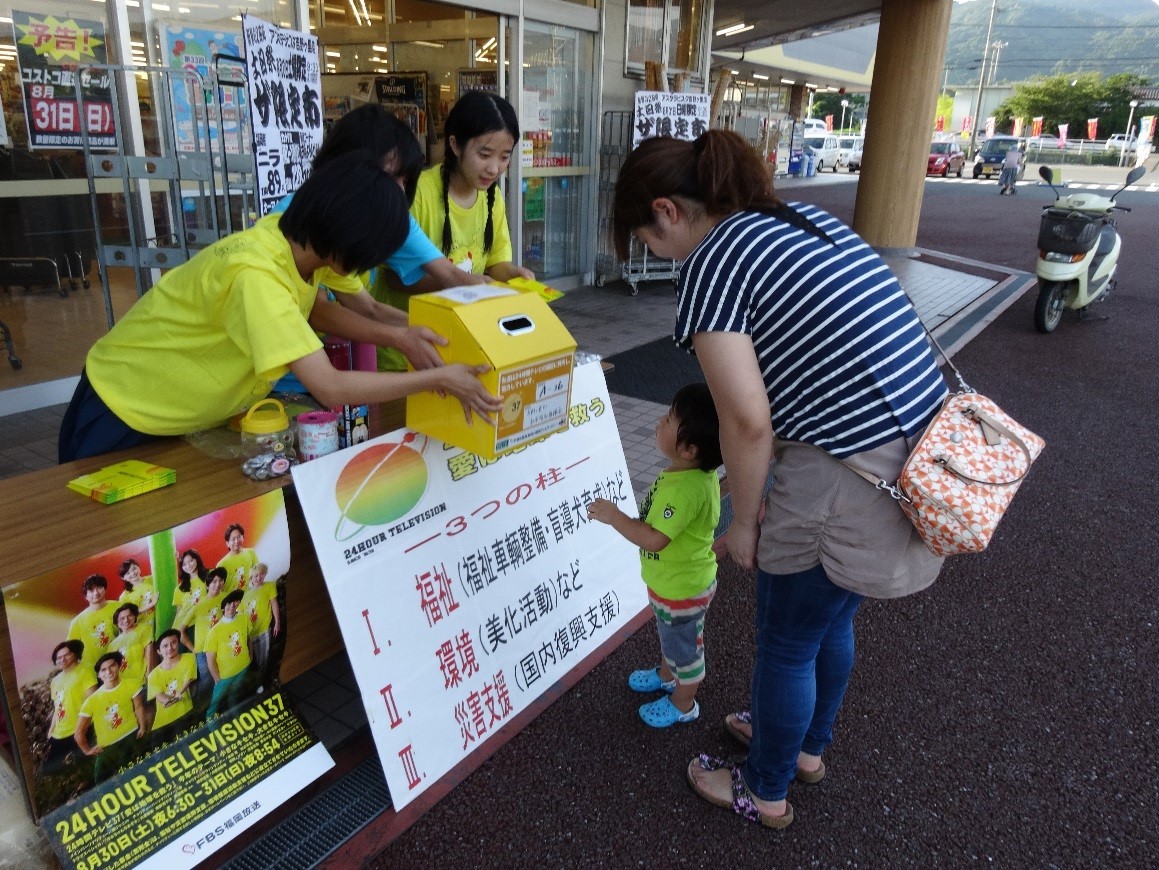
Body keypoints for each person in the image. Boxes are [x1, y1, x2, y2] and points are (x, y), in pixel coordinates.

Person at [612, 130, 947, 828]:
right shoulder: (794, 219)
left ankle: (762, 788)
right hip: (908, 451)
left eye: (643, 237)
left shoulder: (713, 261)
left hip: (846, 472)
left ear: (668, 210)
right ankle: (803, 751)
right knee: (828, 619)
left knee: (788, 639)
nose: (652, 251)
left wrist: (742, 519)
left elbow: (746, 421)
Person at [58, 151, 502, 463]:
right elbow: (329, 386)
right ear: (349, 240)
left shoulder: (297, 244)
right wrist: (438, 379)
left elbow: (311, 311)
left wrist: (399, 335)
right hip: (124, 405)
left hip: (177, 410)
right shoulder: (257, 274)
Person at [270, 103, 490, 375]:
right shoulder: (303, 227)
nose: (398, 192)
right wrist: (405, 339)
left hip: (346, 364)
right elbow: (318, 313)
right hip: (294, 373)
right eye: (388, 177)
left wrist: (495, 303)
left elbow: (370, 306)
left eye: (405, 181)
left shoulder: (384, 215)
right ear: (346, 166)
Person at [587, 383, 722, 728]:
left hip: (682, 589)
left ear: (690, 449)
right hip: (673, 584)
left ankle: (683, 702)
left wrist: (614, 516)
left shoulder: (686, 489)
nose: (659, 423)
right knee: (671, 636)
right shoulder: (689, 473)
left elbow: (653, 539)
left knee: (685, 650)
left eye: (668, 420)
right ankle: (666, 675)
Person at [406, 91, 534, 292]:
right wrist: (460, 282)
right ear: (455, 145)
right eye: (484, 154)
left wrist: (512, 274)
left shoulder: (492, 197)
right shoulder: (418, 194)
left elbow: (494, 263)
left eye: (504, 157)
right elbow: (395, 277)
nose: (494, 169)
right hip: (410, 318)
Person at [74, 651, 146, 784]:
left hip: (132, 737)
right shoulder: (92, 700)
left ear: (118, 666)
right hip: (108, 748)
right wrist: (87, 750)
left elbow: (139, 707)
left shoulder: (132, 684)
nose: (109, 671)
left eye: (112, 666)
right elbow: (79, 732)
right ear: (99, 675)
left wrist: (142, 726)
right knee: (101, 783)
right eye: (103, 670)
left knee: (136, 776)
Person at [42, 640, 97, 774]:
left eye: (67, 655)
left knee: (87, 764)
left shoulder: (85, 671)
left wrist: (82, 727)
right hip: (60, 731)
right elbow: (57, 706)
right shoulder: (55, 681)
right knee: (49, 770)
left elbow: (92, 700)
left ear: (75, 654)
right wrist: (51, 729)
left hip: (80, 727)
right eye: (59, 657)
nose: (63, 659)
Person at [176, 567, 228, 699]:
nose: (217, 584)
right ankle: (202, 710)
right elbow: (181, 631)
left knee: (223, 678)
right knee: (207, 682)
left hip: (221, 647)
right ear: (207, 584)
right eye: (214, 581)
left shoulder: (226, 598)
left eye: (220, 581)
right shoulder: (198, 606)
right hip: (203, 651)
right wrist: (193, 649)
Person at [204, 591, 254, 718]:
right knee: (213, 706)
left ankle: (235, 715)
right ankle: (211, 727)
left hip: (243, 667)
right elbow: (210, 660)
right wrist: (217, 679)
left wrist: (250, 658)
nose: (231, 606)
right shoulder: (214, 632)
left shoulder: (244, 618)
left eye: (234, 603)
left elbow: (249, 639)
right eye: (228, 603)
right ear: (222, 607)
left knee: (235, 695)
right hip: (224, 676)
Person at [146, 629, 198, 747]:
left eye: (173, 642)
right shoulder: (153, 675)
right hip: (162, 723)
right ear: (159, 651)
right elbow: (160, 696)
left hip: (185, 712)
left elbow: (188, 680)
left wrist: (178, 693)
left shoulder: (189, 658)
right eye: (165, 646)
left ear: (178, 643)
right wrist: (172, 698)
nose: (170, 648)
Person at [67, 575, 120, 670]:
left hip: (121, 659)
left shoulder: (118, 606)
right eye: (91, 591)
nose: (96, 593)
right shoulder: (78, 621)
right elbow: (72, 649)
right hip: (94, 669)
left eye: (99, 588)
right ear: (85, 596)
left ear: (105, 589)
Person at [240, 562, 280, 683]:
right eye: (256, 576)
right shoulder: (243, 592)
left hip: (264, 630)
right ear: (251, 576)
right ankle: (252, 683)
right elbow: (239, 613)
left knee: (264, 658)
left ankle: (262, 682)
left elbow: (274, 604)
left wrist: (277, 623)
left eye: (262, 575)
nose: (259, 578)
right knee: (250, 661)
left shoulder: (270, 586)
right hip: (249, 634)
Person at [109, 603, 154, 689]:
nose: (126, 620)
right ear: (117, 623)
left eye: (130, 616)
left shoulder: (144, 628)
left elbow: (149, 653)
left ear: (134, 617)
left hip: (142, 679)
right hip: (125, 684)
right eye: (122, 618)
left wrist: (149, 673)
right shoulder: (112, 645)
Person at [117, 558, 157, 641]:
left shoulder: (153, 579)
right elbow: (129, 615)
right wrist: (151, 604)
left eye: (134, 568)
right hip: (145, 625)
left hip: (161, 617)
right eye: (128, 573)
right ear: (123, 578)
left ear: (139, 567)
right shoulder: (124, 596)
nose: (132, 573)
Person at [172, 549, 209, 631]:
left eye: (191, 561)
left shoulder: (210, 576)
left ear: (197, 559)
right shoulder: (180, 588)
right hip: (186, 626)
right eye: (184, 564)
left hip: (207, 619)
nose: (188, 566)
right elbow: (179, 612)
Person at [217, 523, 258, 594]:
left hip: (251, 595)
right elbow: (220, 590)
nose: (237, 541)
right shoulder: (221, 564)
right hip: (233, 602)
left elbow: (258, 574)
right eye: (233, 539)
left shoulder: (251, 552)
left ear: (243, 537)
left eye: (239, 537)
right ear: (227, 543)